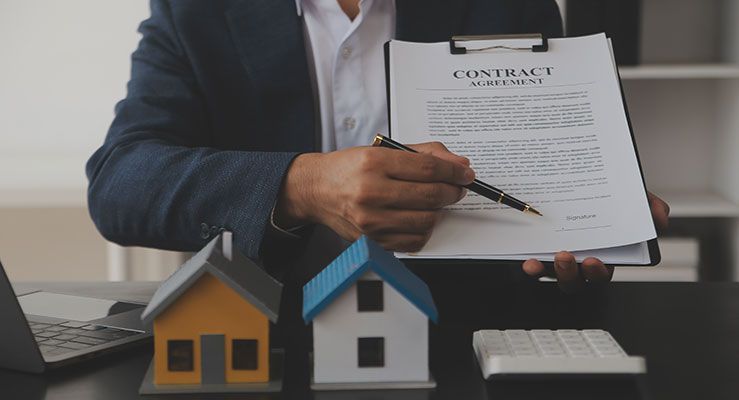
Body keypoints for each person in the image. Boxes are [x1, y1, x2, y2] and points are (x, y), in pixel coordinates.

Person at [86, 0, 669, 294]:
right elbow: (121, 183)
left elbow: (548, 144)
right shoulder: (197, 11)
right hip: (266, 325)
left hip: (471, 329)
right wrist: (304, 184)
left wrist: (590, 209)